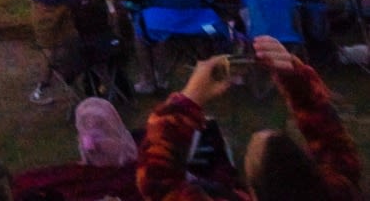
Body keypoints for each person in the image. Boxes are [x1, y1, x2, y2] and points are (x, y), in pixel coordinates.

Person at [137, 35, 362, 201]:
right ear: (312, 175)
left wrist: (188, 100)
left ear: (253, 192)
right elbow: (331, 139)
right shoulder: (340, 192)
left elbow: (157, 182)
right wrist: (295, 79)